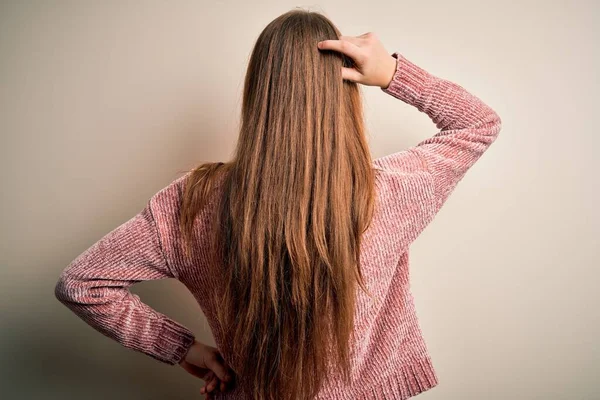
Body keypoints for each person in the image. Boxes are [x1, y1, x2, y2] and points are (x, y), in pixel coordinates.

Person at [54, 9, 501, 400]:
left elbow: (82, 284)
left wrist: (184, 348)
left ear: (257, 92)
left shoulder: (192, 202)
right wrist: (391, 72)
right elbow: (478, 123)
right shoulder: (390, 191)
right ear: (342, 91)